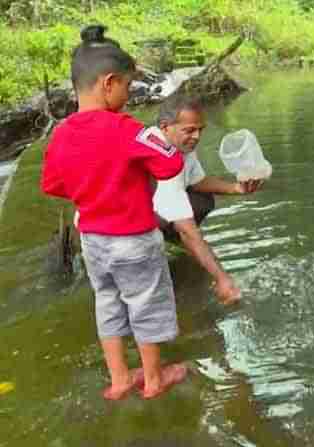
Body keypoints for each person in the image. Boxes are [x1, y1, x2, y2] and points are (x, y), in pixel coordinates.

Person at [40, 25, 188, 400]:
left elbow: (52, 185)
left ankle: (120, 378)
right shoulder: (126, 129)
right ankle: (154, 379)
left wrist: (90, 185)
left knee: (107, 301)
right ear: (108, 83)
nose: (129, 94)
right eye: (128, 86)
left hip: (94, 241)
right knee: (146, 302)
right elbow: (170, 164)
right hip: (133, 239)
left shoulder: (61, 134)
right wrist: (157, 141)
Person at [151, 95, 261, 304]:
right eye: (190, 130)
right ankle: (164, 242)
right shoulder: (162, 157)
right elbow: (187, 228)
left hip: (151, 206)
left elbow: (197, 180)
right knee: (187, 231)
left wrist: (236, 188)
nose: (197, 136)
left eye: (200, 129)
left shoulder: (180, 145)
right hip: (120, 223)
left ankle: (174, 241)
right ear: (165, 127)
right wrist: (222, 279)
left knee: (202, 200)